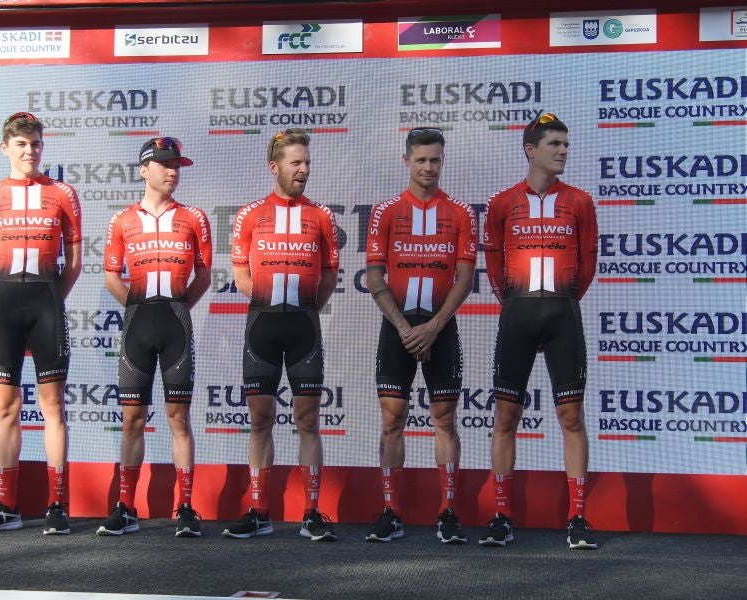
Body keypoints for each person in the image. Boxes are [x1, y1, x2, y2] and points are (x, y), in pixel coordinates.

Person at [481, 113, 598, 549]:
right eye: (555, 144)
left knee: (572, 416)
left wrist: (561, 301)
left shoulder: (581, 202)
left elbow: (586, 267)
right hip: (518, 315)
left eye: (566, 144)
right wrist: (516, 303)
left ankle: (578, 517)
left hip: (564, 315)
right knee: (506, 416)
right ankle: (501, 514)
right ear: (531, 150)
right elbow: (494, 267)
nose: (564, 151)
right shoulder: (502, 203)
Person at [222, 129, 340, 542]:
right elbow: (240, 275)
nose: (304, 169)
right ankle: (259, 511)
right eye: (296, 163)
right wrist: (272, 302)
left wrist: (307, 309)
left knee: (308, 420)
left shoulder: (322, 216)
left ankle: (310, 512)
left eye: (307, 162)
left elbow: (328, 276)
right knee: (261, 420)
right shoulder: (250, 215)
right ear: (275, 167)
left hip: (304, 326)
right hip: (263, 326)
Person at [0, 112, 82, 535]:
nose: (30, 151)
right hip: (5, 303)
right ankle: (7, 506)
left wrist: (50, 299)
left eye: (35, 144)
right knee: (5, 409)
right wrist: (8, 301)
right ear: (5, 149)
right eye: (21, 144)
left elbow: (74, 263)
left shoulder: (63, 193)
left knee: (53, 407)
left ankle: (57, 504)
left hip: (46, 300)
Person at [364, 128, 477, 543]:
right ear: (407, 160)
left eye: (435, 160)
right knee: (392, 421)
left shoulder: (462, 213)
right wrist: (404, 327)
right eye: (421, 159)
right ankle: (391, 511)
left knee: (444, 421)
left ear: (442, 161)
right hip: (398, 329)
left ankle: (447, 511)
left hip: (440, 329)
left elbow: (464, 279)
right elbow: (375, 276)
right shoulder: (385, 212)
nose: (428, 167)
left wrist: (432, 327)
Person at [98, 137, 212, 538]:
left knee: (178, 417)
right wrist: (138, 306)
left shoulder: (194, 217)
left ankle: (185, 507)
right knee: (132, 418)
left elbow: (204, 276)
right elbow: (111, 275)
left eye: (177, 164)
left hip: (176, 323)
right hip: (137, 325)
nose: (172, 171)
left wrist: (178, 306)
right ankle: (126, 506)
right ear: (144, 169)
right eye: (164, 164)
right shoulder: (122, 220)